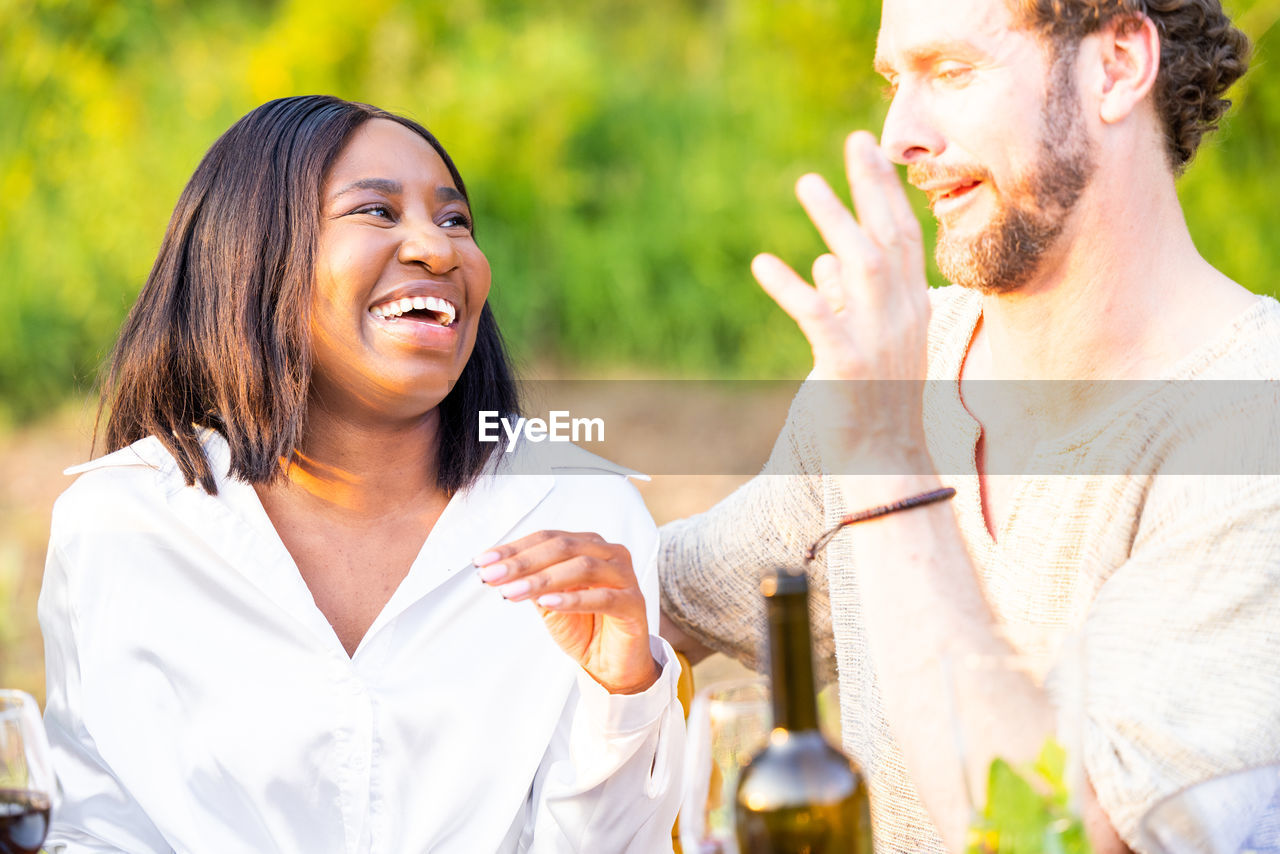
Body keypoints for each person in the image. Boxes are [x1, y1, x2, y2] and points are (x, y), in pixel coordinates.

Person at [659, 0, 1279, 852]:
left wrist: (886, 457)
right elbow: (684, 596)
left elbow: (1058, 835)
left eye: (951, 72)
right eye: (892, 81)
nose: (896, 136)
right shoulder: (918, 349)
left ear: (1118, 63)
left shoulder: (1251, 428)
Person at [39, 95, 683, 853]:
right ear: (250, 254)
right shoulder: (120, 521)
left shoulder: (584, 512)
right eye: (377, 211)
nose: (439, 251)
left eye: (455, 221)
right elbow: (93, 830)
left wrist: (623, 694)